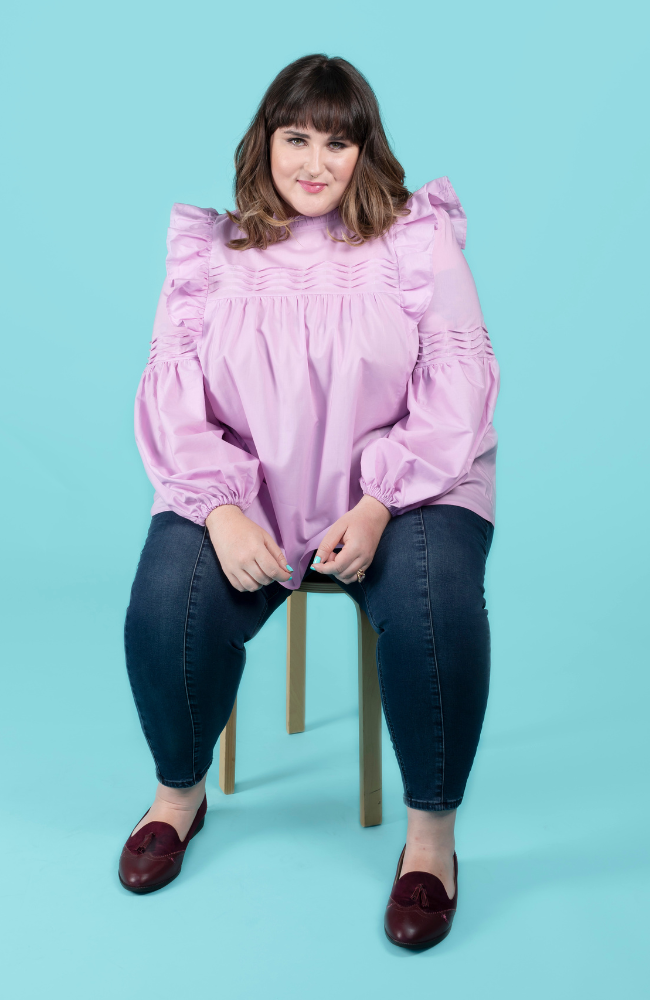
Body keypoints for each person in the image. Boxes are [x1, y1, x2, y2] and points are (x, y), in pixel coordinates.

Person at [119, 53, 499, 949]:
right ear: (267, 143)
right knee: (161, 604)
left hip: (412, 487)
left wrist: (377, 502)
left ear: (365, 152)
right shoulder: (210, 255)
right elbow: (173, 399)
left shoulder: (415, 239)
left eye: (339, 140)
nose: (315, 162)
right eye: (297, 137)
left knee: (434, 609)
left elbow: (457, 386)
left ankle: (431, 841)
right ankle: (180, 791)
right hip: (246, 490)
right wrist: (217, 506)